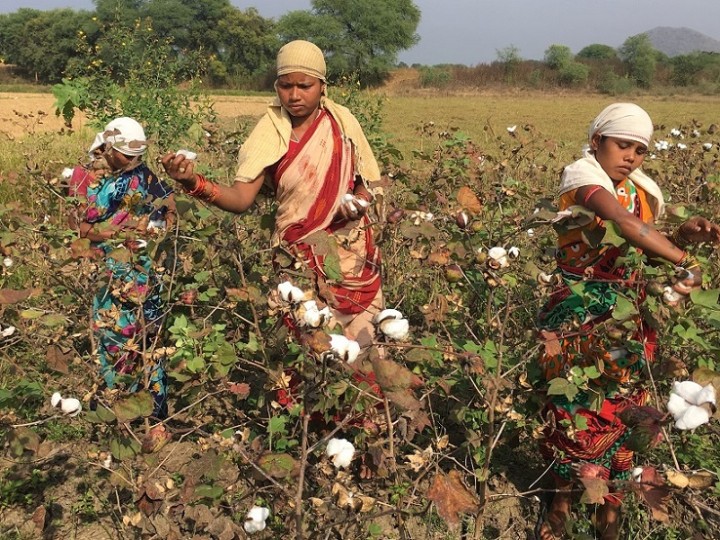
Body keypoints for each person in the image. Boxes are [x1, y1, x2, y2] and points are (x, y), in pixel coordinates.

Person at [534, 103, 720, 540]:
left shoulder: (639, 191)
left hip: (627, 314)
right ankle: (560, 501)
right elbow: (620, 223)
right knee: (572, 405)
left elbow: (640, 242)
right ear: (597, 140)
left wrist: (683, 235)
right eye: (622, 145)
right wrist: (684, 259)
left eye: (640, 149)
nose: (631, 157)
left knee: (620, 409)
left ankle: (609, 508)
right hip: (579, 310)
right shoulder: (582, 182)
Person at [161, 40, 384, 350]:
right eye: (285, 86)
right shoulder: (269, 132)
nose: (294, 95)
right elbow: (240, 200)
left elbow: (368, 181)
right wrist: (191, 181)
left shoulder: (342, 123)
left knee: (366, 350)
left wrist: (359, 203)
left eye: (304, 86)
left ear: (322, 86)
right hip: (296, 256)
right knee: (307, 349)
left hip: (350, 256)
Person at [68, 117, 176, 419]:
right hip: (108, 271)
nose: (134, 161)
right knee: (114, 339)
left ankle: (155, 414)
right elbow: (79, 228)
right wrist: (122, 232)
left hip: (143, 269)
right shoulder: (82, 178)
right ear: (108, 148)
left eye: (138, 156)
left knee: (150, 339)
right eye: (128, 155)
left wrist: (163, 224)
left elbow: (168, 200)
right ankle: (121, 414)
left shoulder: (142, 174)